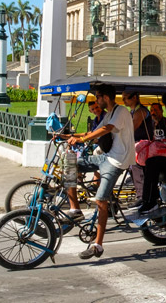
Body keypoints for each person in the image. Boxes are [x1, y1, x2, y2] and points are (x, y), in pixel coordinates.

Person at [64, 83, 135, 259]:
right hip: (106, 156)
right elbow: (94, 131)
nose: (96, 100)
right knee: (69, 163)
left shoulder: (120, 112)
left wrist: (83, 140)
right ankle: (75, 210)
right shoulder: (109, 114)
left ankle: (98, 245)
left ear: (106, 97)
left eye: (98, 97)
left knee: (100, 200)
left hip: (117, 161)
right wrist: (67, 136)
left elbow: (106, 129)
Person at [122, 91, 154, 205]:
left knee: (136, 166)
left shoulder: (140, 111)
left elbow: (131, 128)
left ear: (134, 97)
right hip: (136, 145)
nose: (123, 101)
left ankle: (142, 196)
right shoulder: (132, 111)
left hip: (142, 146)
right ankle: (141, 193)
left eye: (125, 98)